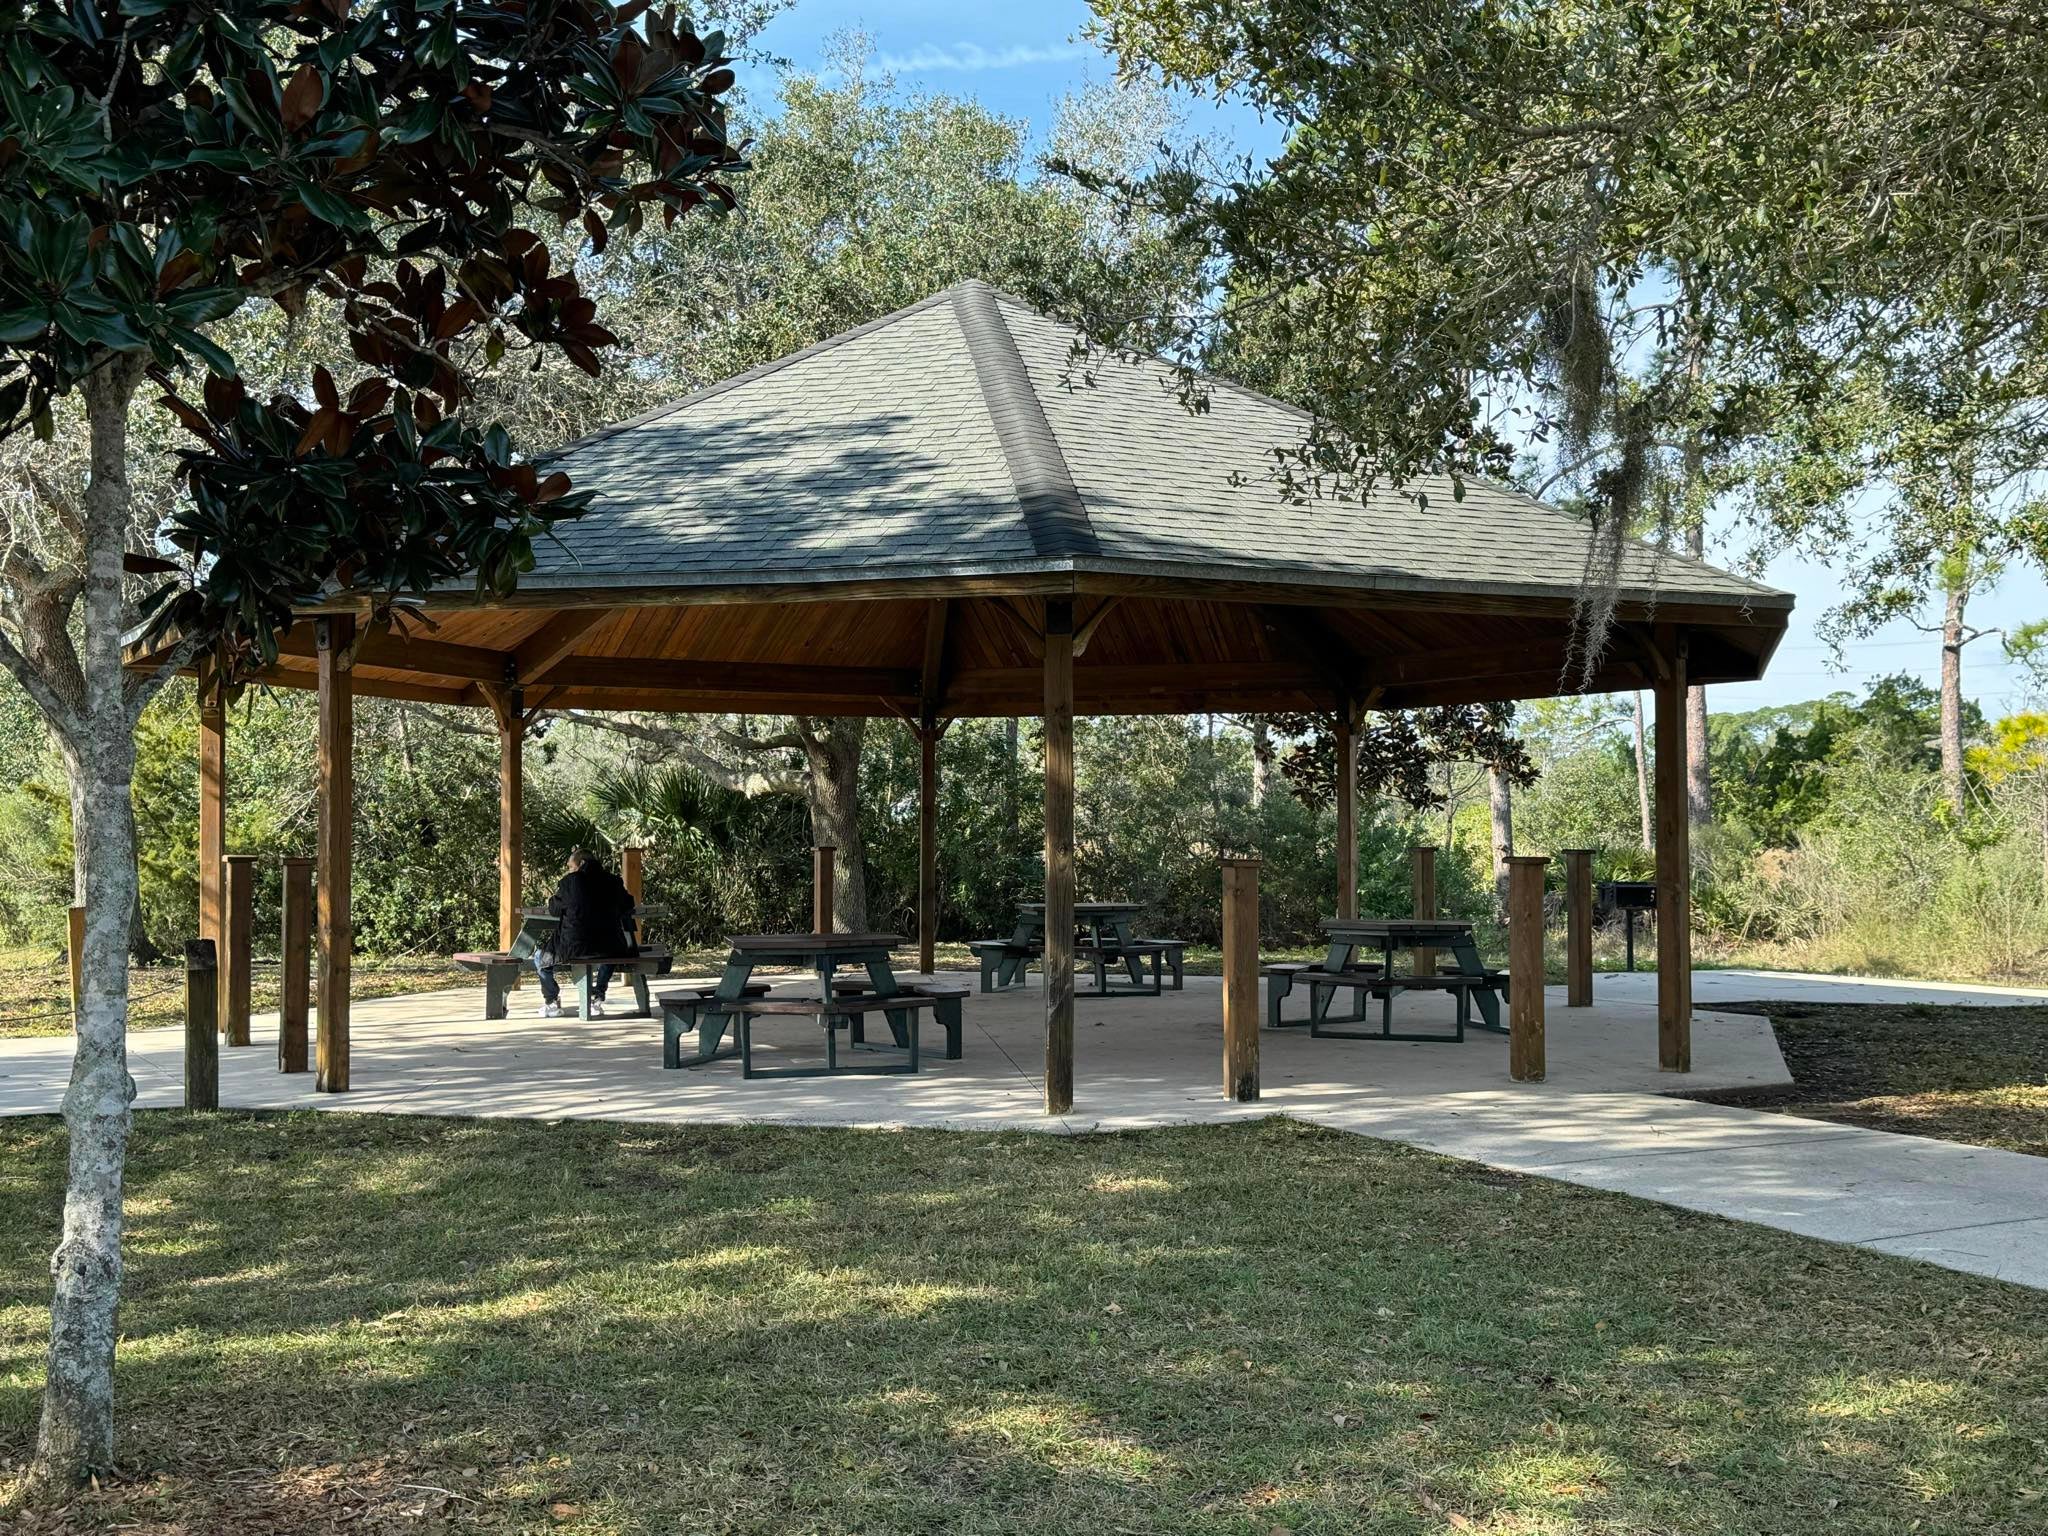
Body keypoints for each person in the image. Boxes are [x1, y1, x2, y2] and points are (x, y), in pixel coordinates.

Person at [533, 849, 637, 1018]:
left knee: (539, 957)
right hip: (611, 947)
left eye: (570, 867)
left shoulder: (570, 882)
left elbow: (554, 909)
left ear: (581, 863)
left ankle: (551, 1001)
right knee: (608, 956)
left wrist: (554, 898)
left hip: (575, 947)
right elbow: (628, 903)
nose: (569, 871)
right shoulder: (613, 881)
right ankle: (596, 997)